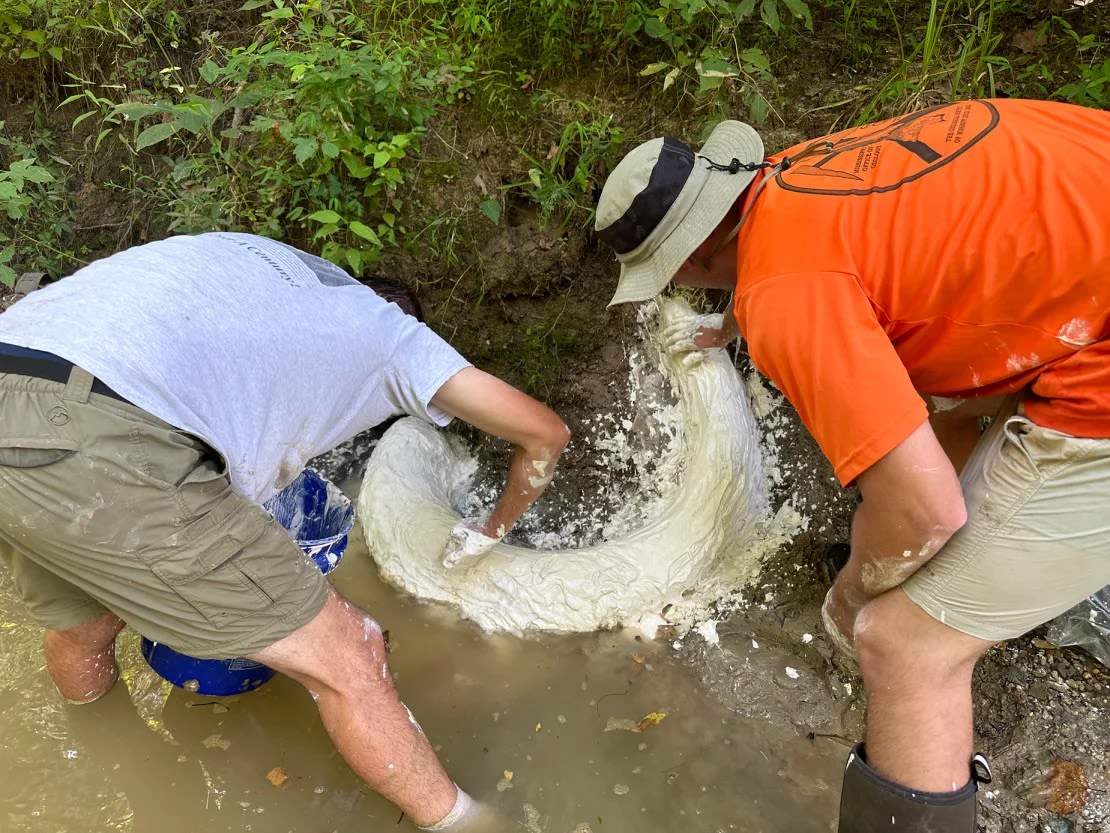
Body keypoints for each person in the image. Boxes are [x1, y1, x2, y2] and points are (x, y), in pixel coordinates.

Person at [593, 98, 1110, 832]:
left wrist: (854, 591)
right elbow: (805, 269)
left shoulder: (784, 290)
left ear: (692, 256)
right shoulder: (800, 173)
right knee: (952, 430)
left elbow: (926, 509)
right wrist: (749, 310)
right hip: (1086, 237)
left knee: (900, 645)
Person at [0, 232, 570, 830]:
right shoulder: (394, 339)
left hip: (28, 374)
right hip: (100, 432)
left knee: (82, 626)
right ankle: (469, 824)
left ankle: (100, 744)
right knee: (353, 656)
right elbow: (544, 434)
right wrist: (490, 528)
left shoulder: (271, 270)